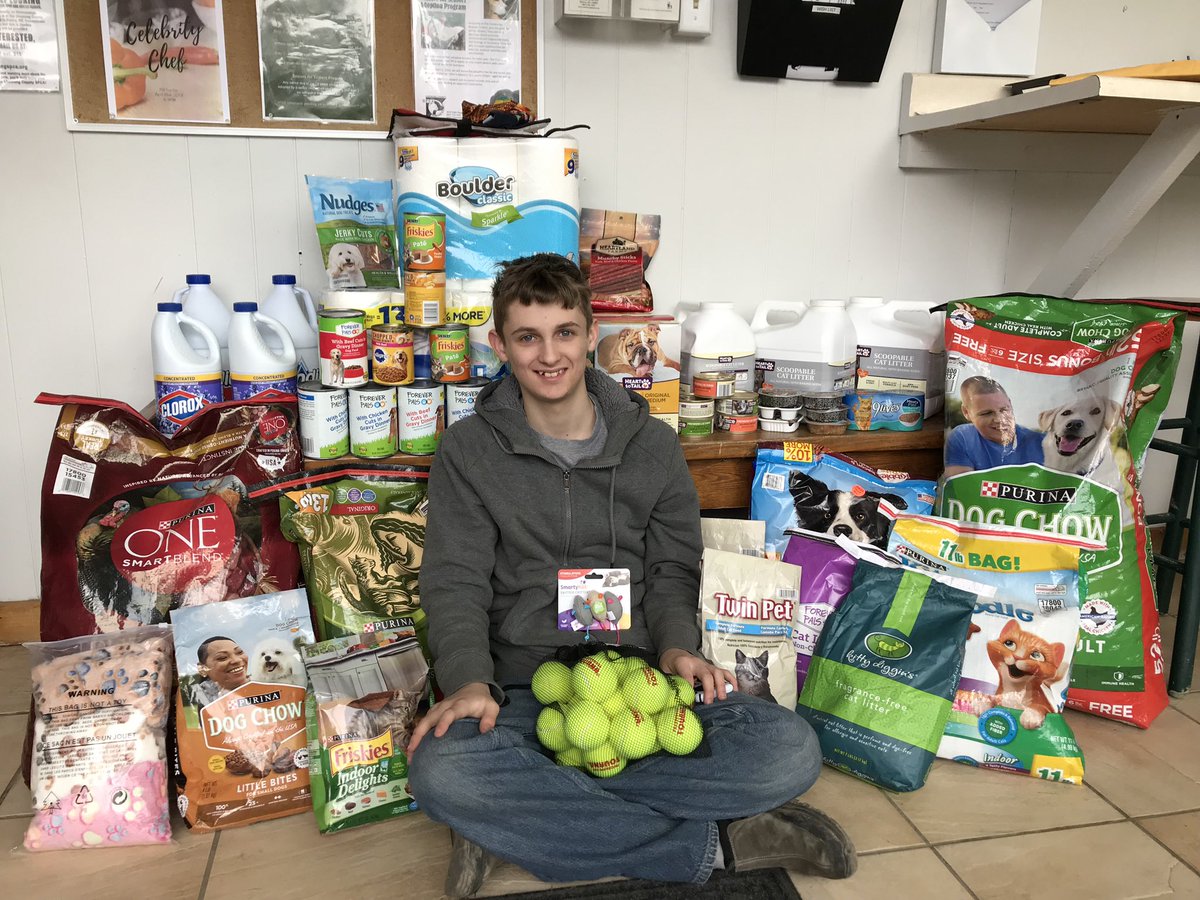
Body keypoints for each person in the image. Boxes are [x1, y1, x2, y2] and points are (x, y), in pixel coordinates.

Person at [408, 253, 855, 897]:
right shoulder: (468, 450)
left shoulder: (653, 446)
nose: (549, 355)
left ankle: (524, 822)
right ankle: (720, 842)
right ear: (499, 343)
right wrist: (470, 683)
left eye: (565, 332)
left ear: (593, 335)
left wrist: (677, 649)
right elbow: (455, 580)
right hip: (523, 692)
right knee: (441, 773)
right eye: (527, 336)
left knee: (787, 748)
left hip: (640, 689)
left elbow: (673, 567)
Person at [943, 376, 1044, 478]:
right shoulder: (963, 438)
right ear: (966, 412)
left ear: (1010, 403)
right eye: (986, 413)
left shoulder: (1042, 442)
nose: (1000, 419)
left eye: (1004, 410)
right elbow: (961, 488)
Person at [191, 635, 248, 708]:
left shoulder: (261, 686)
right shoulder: (198, 697)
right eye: (222, 657)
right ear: (202, 669)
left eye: (239, 652)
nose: (236, 660)